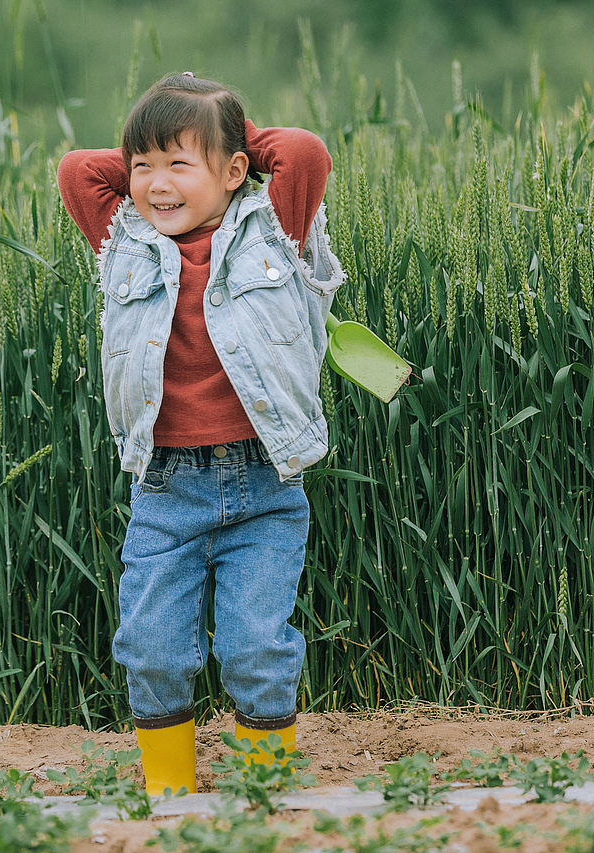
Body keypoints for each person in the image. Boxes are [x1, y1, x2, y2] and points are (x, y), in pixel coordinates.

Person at [56, 72, 343, 795]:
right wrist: (171, 148)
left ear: (236, 170)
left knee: (255, 649)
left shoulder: (276, 229)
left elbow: (304, 152)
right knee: (150, 649)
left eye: (177, 164)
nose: (154, 184)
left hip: (264, 487)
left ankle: (262, 796)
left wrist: (227, 139)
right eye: (142, 165)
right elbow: (77, 171)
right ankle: (169, 795)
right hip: (165, 488)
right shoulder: (122, 243)